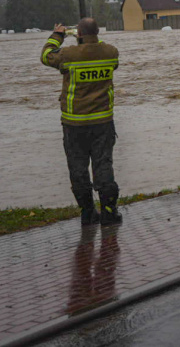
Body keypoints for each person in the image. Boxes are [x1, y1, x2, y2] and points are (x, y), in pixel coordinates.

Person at [41, 17, 122, 225]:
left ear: (79, 35)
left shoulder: (68, 55)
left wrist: (58, 35)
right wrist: (86, 38)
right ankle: (109, 212)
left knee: (78, 169)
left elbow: (45, 56)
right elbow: (101, 50)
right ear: (97, 33)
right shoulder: (111, 53)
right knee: (103, 166)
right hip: (102, 122)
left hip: (74, 124)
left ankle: (87, 213)